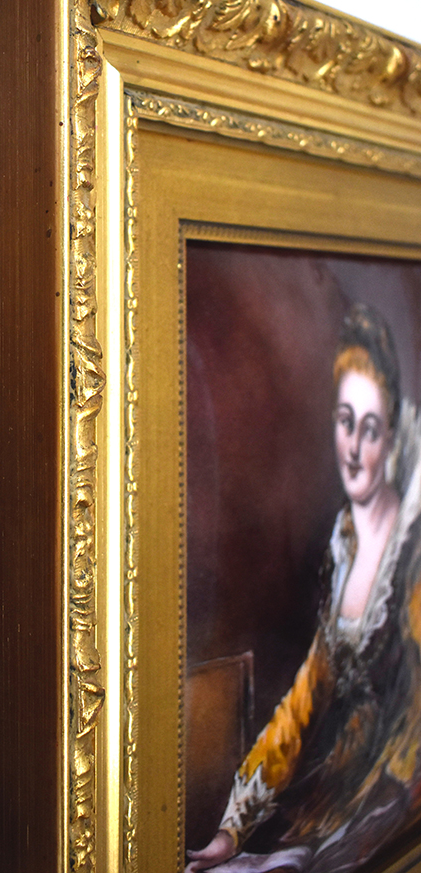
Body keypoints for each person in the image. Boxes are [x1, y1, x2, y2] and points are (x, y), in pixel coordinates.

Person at [186, 303, 421, 873]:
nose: (354, 448)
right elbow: (307, 698)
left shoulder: (411, 550)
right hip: (334, 776)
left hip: (398, 783)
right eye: (345, 422)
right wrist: (233, 826)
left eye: (371, 429)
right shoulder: (345, 541)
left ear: (390, 438)